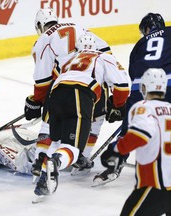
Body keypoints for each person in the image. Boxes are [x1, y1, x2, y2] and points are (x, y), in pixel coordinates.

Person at [95, 12, 171, 185]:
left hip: (140, 87)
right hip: (170, 83)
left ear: (145, 29)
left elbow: (133, 74)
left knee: (130, 125)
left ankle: (116, 160)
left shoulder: (138, 45)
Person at [24, 8, 124, 177]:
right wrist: (115, 100)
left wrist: (36, 101)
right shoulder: (80, 27)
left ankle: (41, 159)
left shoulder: (43, 40)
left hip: (64, 86)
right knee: (96, 118)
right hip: (95, 85)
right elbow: (107, 54)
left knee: (49, 118)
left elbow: (43, 80)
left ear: (40, 26)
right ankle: (83, 157)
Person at [32, 33, 130, 202]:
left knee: (56, 142)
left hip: (55, 95)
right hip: (79, 94)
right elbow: (122, 85)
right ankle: (55, 163)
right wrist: (118, 105)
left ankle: (43, 180)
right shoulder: (103, 57)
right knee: (73, 148)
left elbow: (51, 79)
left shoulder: (68, 59)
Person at [100, 68, 171, 215]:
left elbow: (140, 134)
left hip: (157, 184)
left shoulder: (143, 107)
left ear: (143, 87)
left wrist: (116, 150)